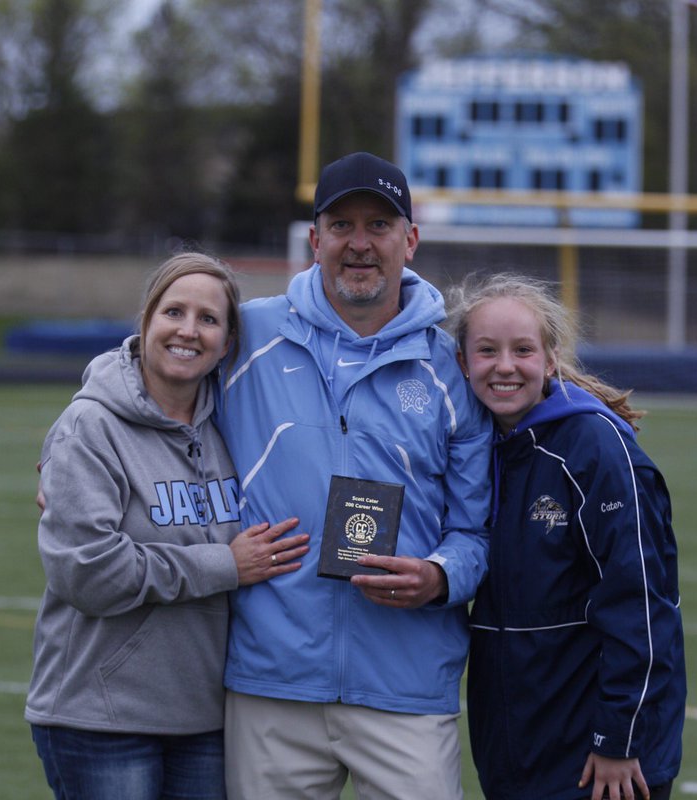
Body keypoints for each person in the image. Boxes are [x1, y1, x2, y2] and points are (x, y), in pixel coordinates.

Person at [214, 152, 493, 799]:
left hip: (405, 686)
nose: (359, 244)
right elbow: (143, 363)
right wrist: (76, 456)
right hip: (272, 682)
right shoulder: (249, 335)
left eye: (379, 225)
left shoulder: (450, 364)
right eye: (342, 225)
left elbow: (476, 530)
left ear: (410, 240)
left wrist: (439, 576)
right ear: (316, 241)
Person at [25, 252, 309, 800]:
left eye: (208, 319)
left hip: (206, 718)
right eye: (173, 312)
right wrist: (225, 565)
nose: (188, 330)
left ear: (228, 342)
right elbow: (88, 574)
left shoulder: (235, 425)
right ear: (146, 321)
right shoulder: (90, 425)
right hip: (102, 716)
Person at [446, 273, 686, 800]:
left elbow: (642, 605)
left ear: (551, 359)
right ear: (462, 362)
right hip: (518, 750)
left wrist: (619, 738)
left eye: (522, 350)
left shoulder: (595, 448)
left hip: (600, 759)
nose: (504, 366)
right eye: (486, 351)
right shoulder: (475, 450)